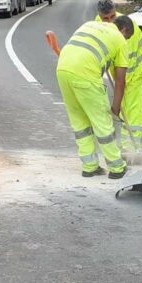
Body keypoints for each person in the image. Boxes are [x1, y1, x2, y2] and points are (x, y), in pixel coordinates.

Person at [56, 16, 134, 179]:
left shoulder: (90, 24)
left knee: (79, 123)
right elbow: (120, 82)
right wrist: (115, 109)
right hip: (86, 75)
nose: (126, 40)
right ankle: (117, 167)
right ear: (124, 30)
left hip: (62, 70)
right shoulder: (120, 39)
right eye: (127, 37)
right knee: (103, 124)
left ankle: (89, 166)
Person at [95, 0, 142, 153]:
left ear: (115, 12)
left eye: (112, 17)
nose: (109, 21)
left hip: (135, 70)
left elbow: (126, 64)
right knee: (121, 105)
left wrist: (122, 87)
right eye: (105, 18)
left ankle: (131, 147)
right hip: (118, 70)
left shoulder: (126, 29)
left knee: (132, 109)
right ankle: (124, 145)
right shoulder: (97, 22)